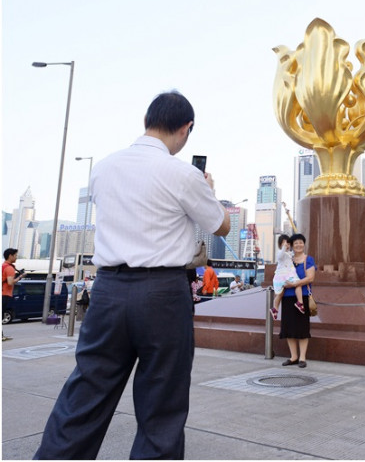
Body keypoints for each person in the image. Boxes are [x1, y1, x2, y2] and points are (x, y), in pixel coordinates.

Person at [34, 91, 231, 460]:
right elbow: (222, 225)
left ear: (147, 120)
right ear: (186, 128)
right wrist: (210, 191)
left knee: (85, 395)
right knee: (161, 407)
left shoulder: (104, 167)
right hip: (162, 294)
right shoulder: (183, 174)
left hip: (107, 291)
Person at [279, 233, 315, 368]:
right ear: (291, 246)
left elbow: (310, 278)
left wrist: (294, 284)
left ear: (304, 244)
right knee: (289, 328)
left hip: (302, 297)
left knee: (302, 328)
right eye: (296, 243)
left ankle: (302, 357)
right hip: (287, 297)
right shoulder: (287, 258)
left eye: (301, 242)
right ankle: (293, 357)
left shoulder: (308, 260)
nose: (299, 245)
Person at [270, 234, 304, 320]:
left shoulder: (290, 254)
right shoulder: (280, 253)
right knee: (280, 293)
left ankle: (299, 302)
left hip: (288, 275)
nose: (286, 245)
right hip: (282, 276)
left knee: (297, 284)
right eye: (284, 243)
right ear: (280, 245)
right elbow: (280, 256)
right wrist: (284, 248)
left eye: (288, 243)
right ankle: (275, 308)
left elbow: (295, 256)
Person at [2, 248, 26, 341]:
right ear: (10, 256)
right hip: (5, 294)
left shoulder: (3, 266)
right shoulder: (9, 268)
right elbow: (10, 282)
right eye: (15, 255)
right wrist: (20, 276)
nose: (16, 257)